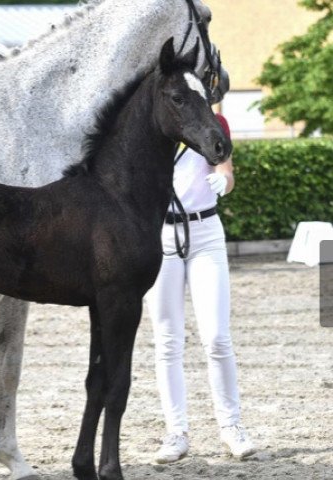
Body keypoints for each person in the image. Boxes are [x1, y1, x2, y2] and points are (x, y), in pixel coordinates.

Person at [145, 113, 257, 464]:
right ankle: (175, 432)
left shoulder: (215, 122)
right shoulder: (153, 125)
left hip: (206, 232)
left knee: (217, 337)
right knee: (167, 340)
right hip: (161, 233)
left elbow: (226, 171)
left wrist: (224, 183)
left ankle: (231, 426)